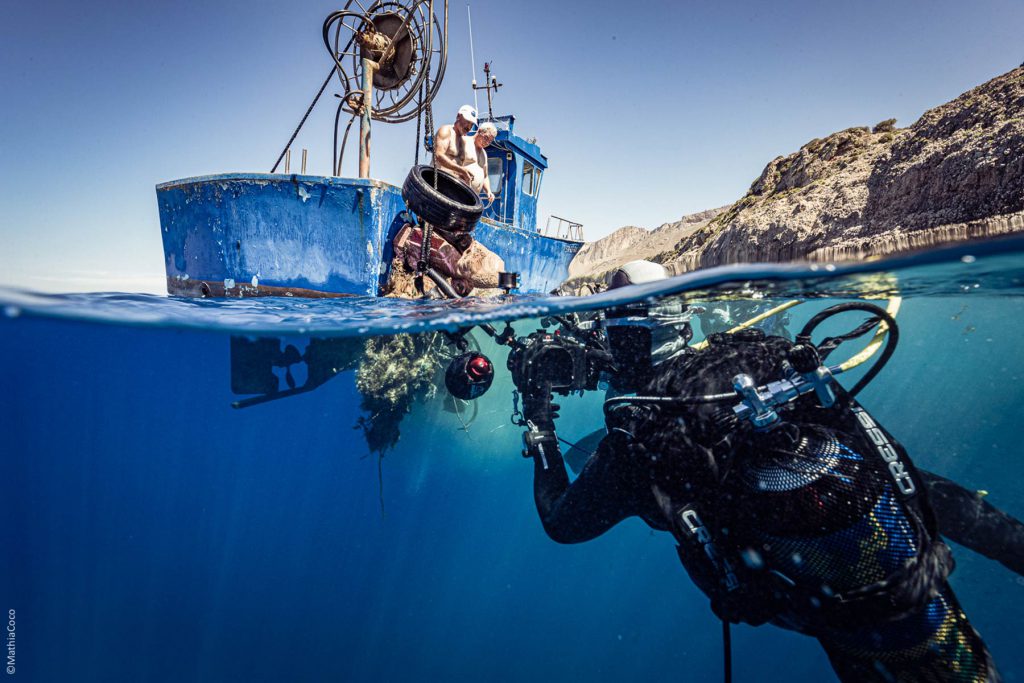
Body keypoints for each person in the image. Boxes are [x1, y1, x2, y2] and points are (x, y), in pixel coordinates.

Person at [512, 261, 1022, 682]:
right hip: (912, 564)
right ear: (683, 323)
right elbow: (895, 468)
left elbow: (562, 522)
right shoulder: (768, 359)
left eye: (607, 329)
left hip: (838, 619)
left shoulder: (636, 439)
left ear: (620, 343)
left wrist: (539, 422)